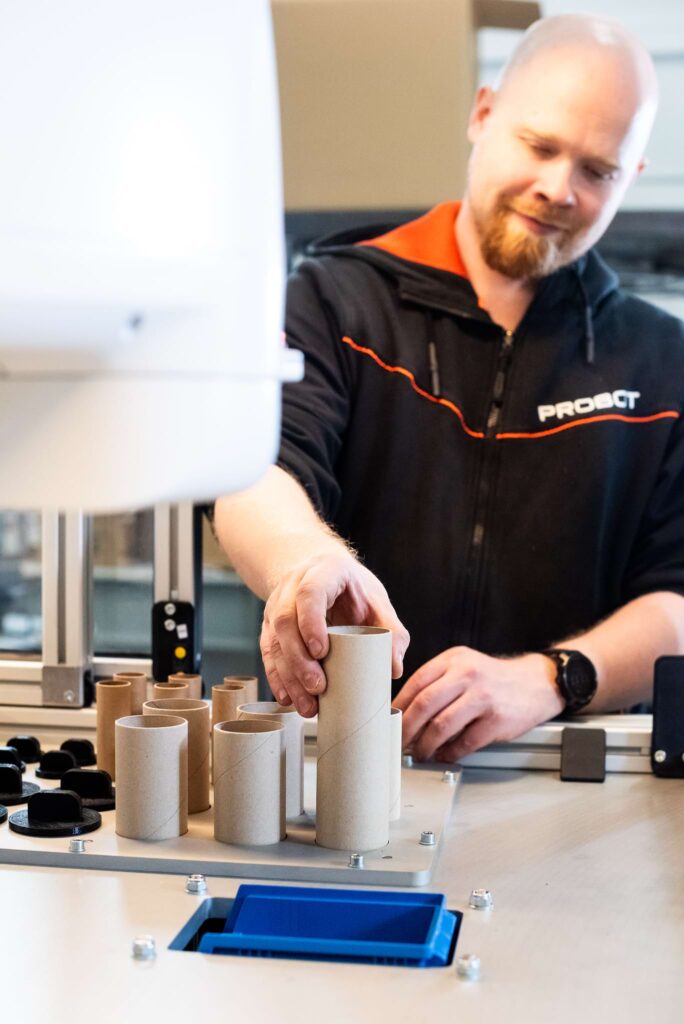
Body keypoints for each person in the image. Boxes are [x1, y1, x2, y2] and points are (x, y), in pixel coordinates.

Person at [214, 14, 684, 763]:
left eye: (597, 170)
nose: (557, 187)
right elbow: (257, 470)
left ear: (631, 177)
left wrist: (550, 678)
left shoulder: (661, 362)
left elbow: (677, 597)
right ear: (484, 112)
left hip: (561, 775)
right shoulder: (338, 300)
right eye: (540, 145)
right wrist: (307, 563)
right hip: (336, 762)